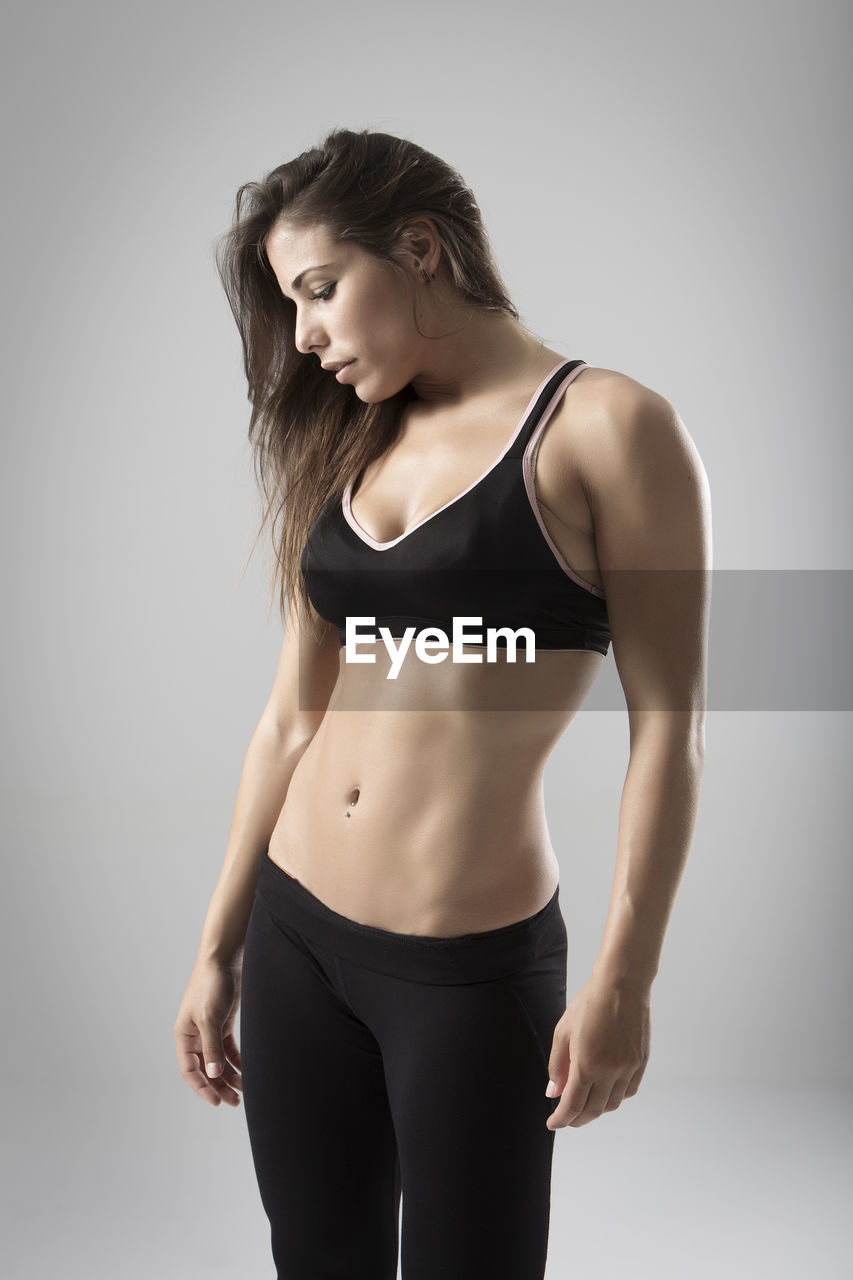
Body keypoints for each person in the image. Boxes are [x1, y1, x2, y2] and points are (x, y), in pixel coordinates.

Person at [173, 127, 711, 1280]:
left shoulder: (608, 427)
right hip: (295, 936)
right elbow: (288, 718)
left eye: (320, 289)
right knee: (319, 1259)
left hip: (464, 969)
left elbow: (670, 724)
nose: (305, 334)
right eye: (290, 303)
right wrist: (217, 945)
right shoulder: (353, 438)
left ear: (417, 247)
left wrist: (624, 976)